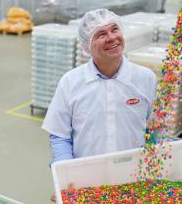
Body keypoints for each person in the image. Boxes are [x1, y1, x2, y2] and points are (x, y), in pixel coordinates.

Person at [42, 9, 157, 165]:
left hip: (133, 175)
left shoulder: (146, 78)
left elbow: (156, 129)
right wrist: (65, 172)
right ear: (87, 45)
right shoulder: (70, 82)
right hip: (87, 177)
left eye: (114, 29)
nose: (111, 37)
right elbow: (60, 135)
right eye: (101, 34)